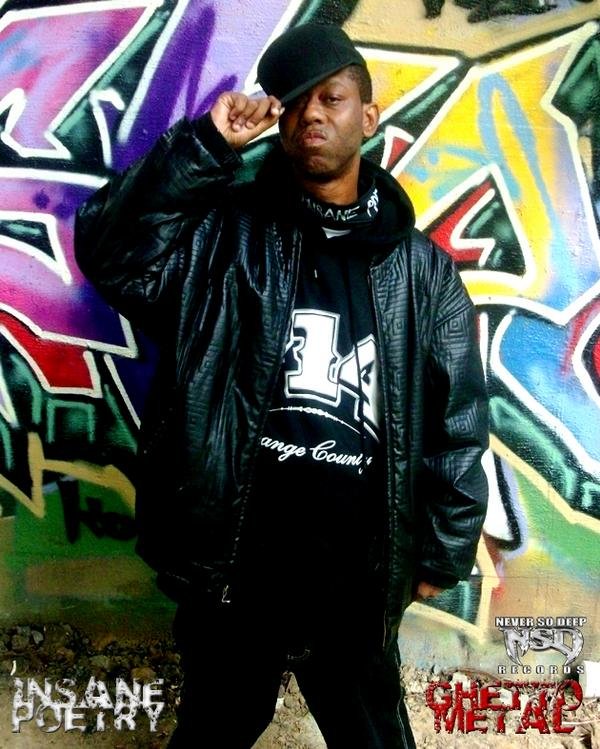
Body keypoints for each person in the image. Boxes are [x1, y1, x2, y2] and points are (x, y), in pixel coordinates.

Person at [75, 23, 489, 749]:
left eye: (331, 98)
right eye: (295, 102)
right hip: (238, 562)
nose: (311, 115)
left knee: (372, 734)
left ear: (369, 116)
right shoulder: (223, 238)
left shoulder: (422, 273)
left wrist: (443, 547)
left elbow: (456, 419)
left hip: (357, 570)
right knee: (216, 727)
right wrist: (205, 147)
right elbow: (114, 254)